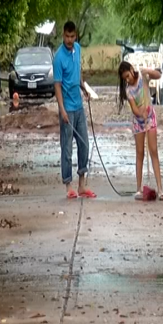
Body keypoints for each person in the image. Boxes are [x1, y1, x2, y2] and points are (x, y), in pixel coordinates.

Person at [53, 21, 95, 200]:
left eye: (72, 36)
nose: (70, 40)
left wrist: (83, 88)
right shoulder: (58, 58)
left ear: (75, 35)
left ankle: (82, 184)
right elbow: (57, 85)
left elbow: (78, 72)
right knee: (67, 148)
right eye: (67, 36)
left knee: (84, 144)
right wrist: (61, 110)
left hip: (79, 106)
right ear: (63, 35)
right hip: (67, 109)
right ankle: (68, 185)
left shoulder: (77, 49)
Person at [118, 61, 163, 201]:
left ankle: (160, 189)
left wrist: (148, 72)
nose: (128, 79)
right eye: (125, 78)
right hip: (139, 122)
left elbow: (158, 75)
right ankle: (138, 189)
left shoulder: (143, 78)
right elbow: (133, 108)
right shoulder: (128, 90)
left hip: (150, 118)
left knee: (153, 150)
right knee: (140, 153)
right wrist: (140, 113)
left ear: (132, 70)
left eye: (128, 75)